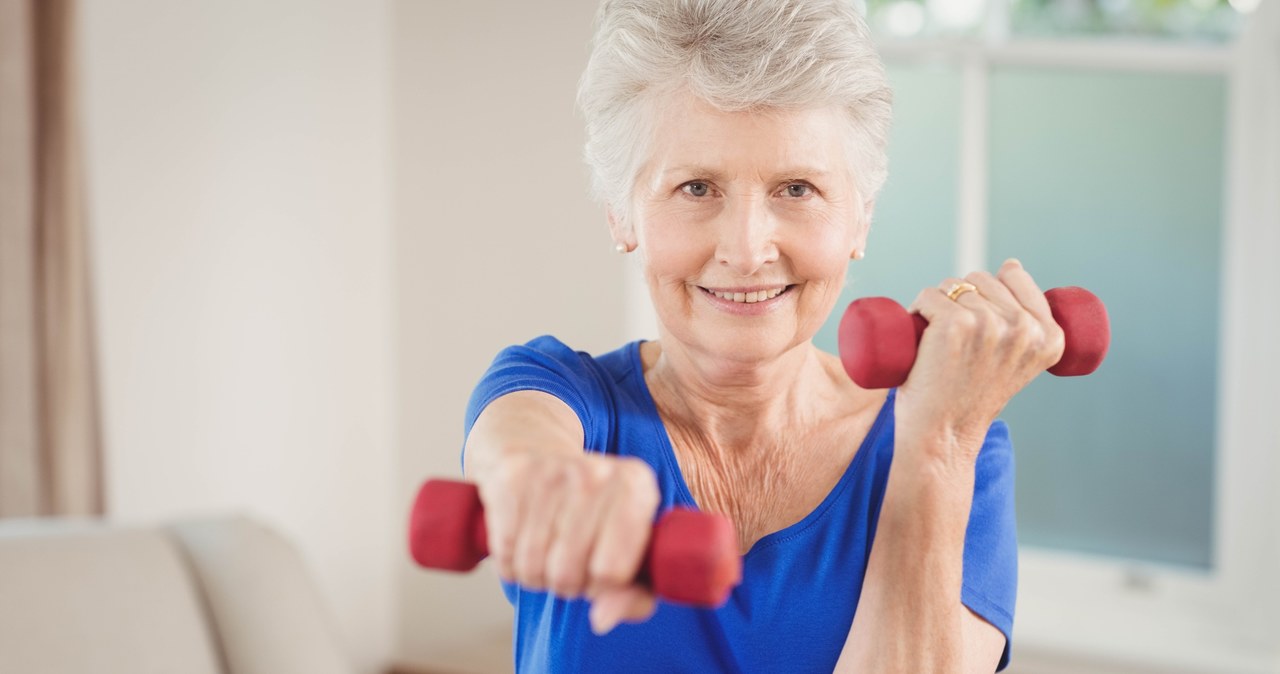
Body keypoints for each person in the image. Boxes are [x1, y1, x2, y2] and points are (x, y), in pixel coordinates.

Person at [461, 0, 1063, 671]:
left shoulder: (961, 448)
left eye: (797, 189)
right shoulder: (558, 397)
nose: (747, 251)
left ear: (859, 220)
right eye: (696, 188)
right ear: (619, 214)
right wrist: (543, 484)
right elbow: (516, 452)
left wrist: (941, 444)